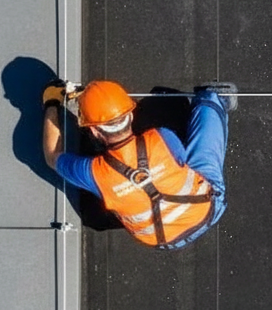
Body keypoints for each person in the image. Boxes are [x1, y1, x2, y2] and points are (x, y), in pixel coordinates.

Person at [41, 79, 232, 249]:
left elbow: (52, 156)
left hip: (163, 240)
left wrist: (51, 103)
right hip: (208, 211)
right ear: (130, 116)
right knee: (206, 119)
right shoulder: (160, 136)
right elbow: (182, 162)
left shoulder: (92, 173)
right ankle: (214, 99)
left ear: (95, 132)